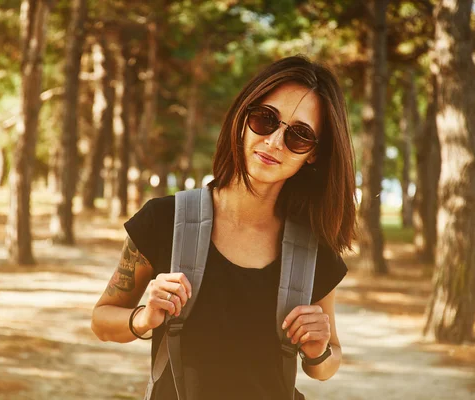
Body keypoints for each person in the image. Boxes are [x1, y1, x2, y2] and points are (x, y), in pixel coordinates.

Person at [91, 55, 356, 400]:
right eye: (266, 119)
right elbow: (102, 320)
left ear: (314, 155)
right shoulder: (164, 220)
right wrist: (144, 318)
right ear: (244, 117)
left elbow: (326, 363)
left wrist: (319, 349)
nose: (274, 142)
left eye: (299, 135)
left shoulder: (313, 250)